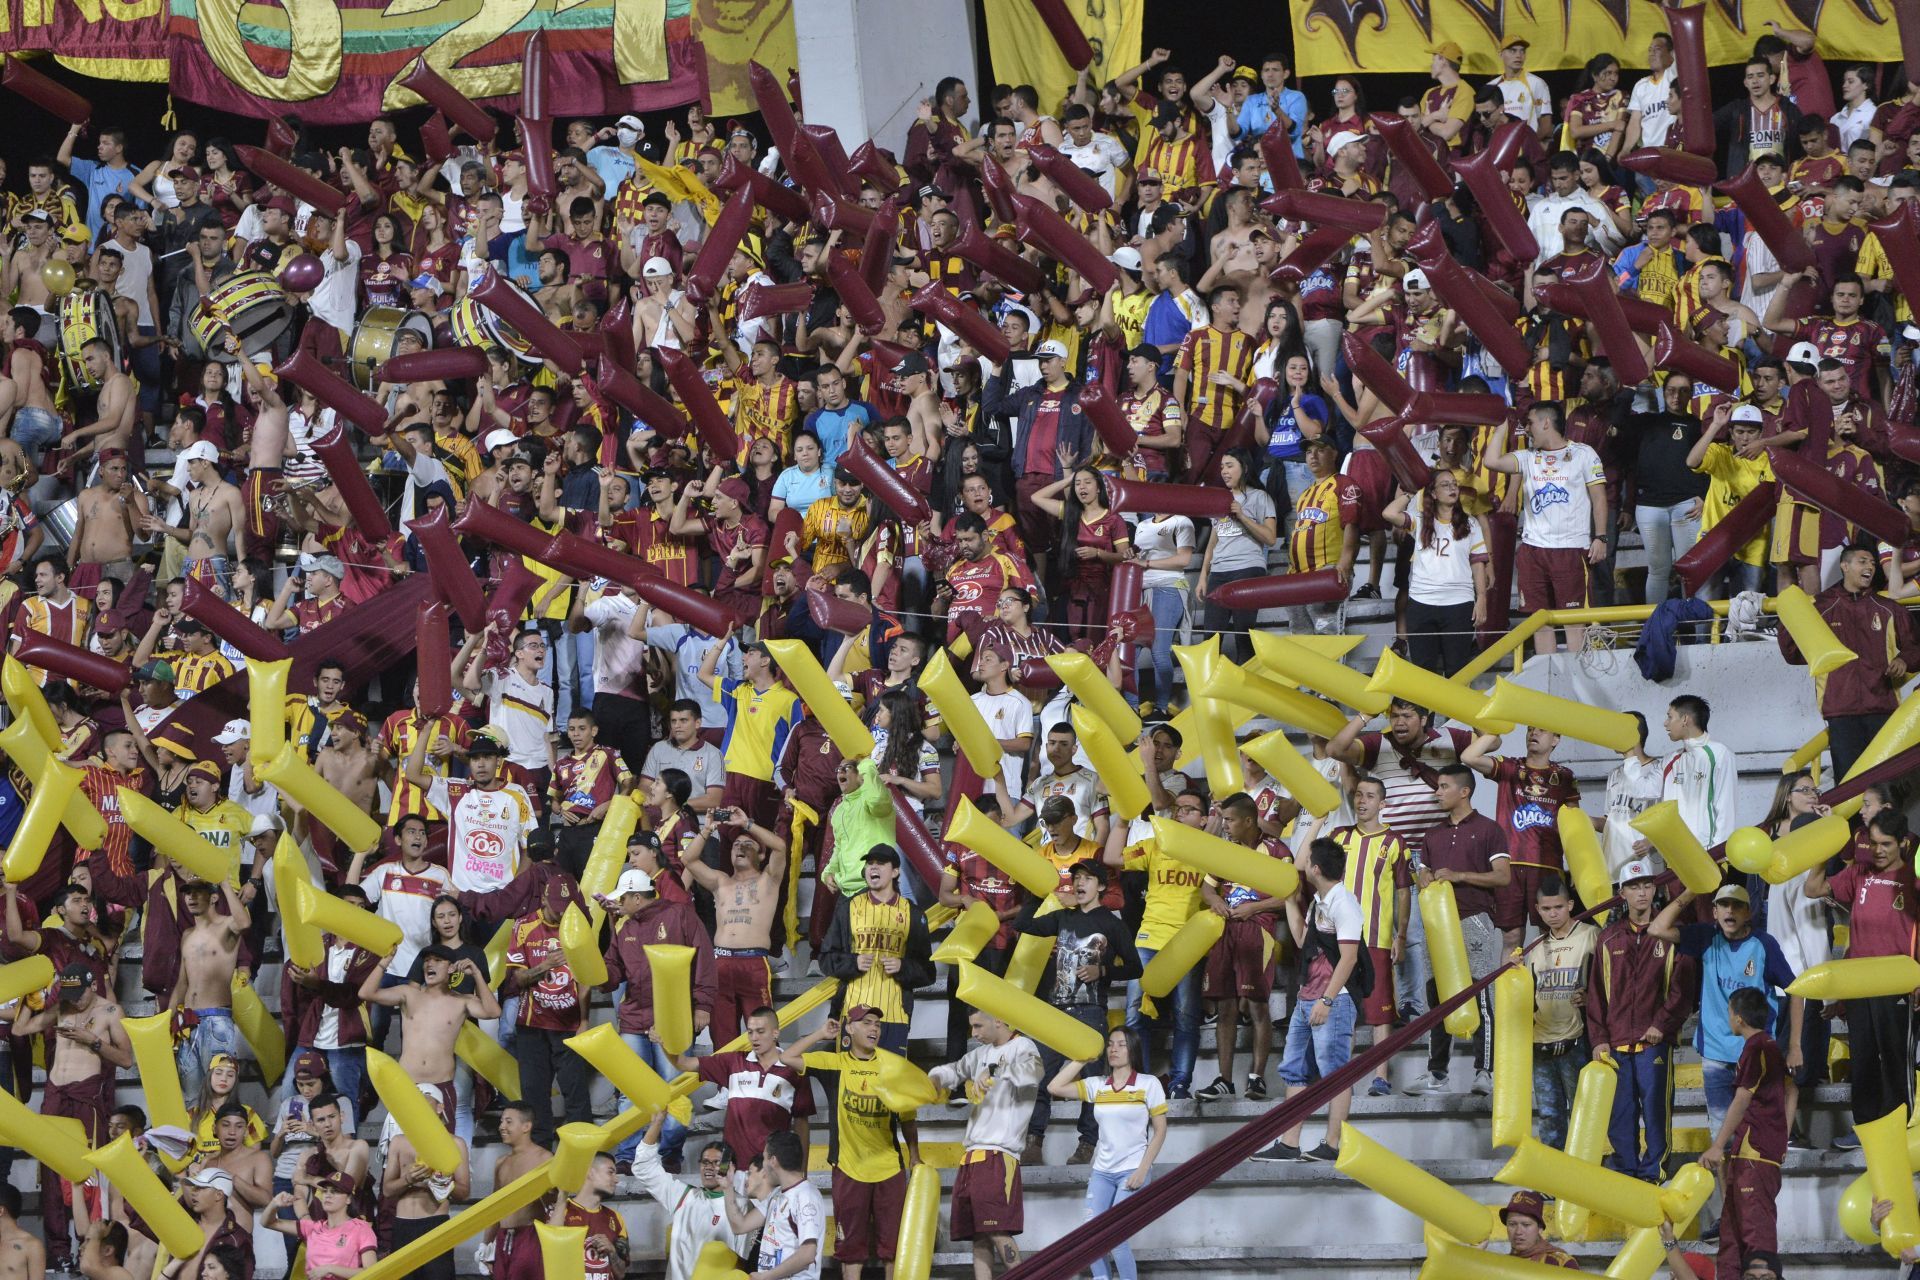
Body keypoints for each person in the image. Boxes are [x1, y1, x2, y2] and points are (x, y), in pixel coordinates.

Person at [1648, 884, 1801, 1153]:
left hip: (1755, 1054)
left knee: (1759, 1135)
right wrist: (1692, 890)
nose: (1730, 910)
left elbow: (1797, 991)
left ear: (1749, 912)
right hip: (1716, 1054)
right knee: (1721, 1139)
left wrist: (1795, 1046)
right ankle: (1730, 1195)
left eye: (1737, 905)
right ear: (1715, 912)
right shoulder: (1706, 937)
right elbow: (1656, 929)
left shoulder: (1763, 944)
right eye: (1724, 905)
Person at [1804, 809, 1919, 1142]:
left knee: (1896, 1058)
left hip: (1898, 983)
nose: (1879, 850)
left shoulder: (1913, 879)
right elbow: (1813, 888)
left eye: (1887, 843)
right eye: (1874, 843)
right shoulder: (1859, 873)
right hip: (1858, 986)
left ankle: (1901, 1126)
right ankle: (1866, 1129)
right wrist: (1823, 851)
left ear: (1902, 843)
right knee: (1864, 1058)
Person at [781, 1008, 920, 1280]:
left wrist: (915, 1155)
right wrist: (821, 1033)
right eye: (866, 1023)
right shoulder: (836, 1063)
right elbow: (787, 1057)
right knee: (851, 1251)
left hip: (889, 1169)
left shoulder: (893, 1066)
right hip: (848, 1168)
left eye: (877, 1024)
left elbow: (908, 1118)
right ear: (850, 1029)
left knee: (892, 1250)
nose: (874, 1029)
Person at [1021, 860, 1140, 1164]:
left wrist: (1102, 970)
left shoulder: (1112, 923)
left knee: (1089, 1080)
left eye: (1087, 878)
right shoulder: (1063, 917)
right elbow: (1024, 925)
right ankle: (1034, 1141)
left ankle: (1087, 1143)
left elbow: (1135, 967)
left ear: (1101, 886)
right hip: (1055, 1011)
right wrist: (1034, 891)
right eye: (1076, 878)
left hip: (1090, 1012)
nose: (1079, 883)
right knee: (1042, 1076)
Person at [17, 962, 131, 1270]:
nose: (74, 999)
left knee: (87, 1172)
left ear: (93, 986)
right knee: (52, 1171)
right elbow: (20, 1029)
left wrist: (91, 1041)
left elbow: (127, 1059)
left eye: (79, 993)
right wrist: (28, 1001)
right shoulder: (62, 1007)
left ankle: (90, 1246)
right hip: (55, 1093)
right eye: (69, 993)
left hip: (86, 1094)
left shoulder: (110, 1013)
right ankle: (59, 1250)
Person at [1587, 858, 1693, 1182]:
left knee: (1656, 1112)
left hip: (1653, 1043)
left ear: (1655, 888)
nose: (1642, 892)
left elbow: (1683, 988)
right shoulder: (1607, 939)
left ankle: (1654, 1172)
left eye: (1647, 885)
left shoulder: (1672, 935)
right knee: (1620, 1116)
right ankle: (1627, 1173)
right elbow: (1595, 994)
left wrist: (1662, 1024)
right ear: (1622, 893)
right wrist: (1599, 1037)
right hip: (1616, 1042)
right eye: (1634, 886)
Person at [1406, 765, 1510, 1096]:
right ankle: (1437, 1074)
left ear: (1464, 791)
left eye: (1443, 786)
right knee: (1437, 998)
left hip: (1474, 918)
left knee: (1480, 994)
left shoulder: (1489, 829)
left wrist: (1460, 876)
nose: (1437, 792)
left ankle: (1486, 1072)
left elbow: (1503, 876)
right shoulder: (1432, 834)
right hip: (1437, 925)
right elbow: (1422, 872)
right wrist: (1421, 877)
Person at [1777, 540, 1919, 779]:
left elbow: (1916, 647)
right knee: (1848, 785)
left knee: (1886, 786)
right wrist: (1790, 617)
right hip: (1840, 712)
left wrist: (1904, 660)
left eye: (1873, 563)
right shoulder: (1819, 606)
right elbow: (1793, 654)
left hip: (1883, 709)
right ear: (1844, 566)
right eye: (1863, 561)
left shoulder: (1888, 608)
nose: (1871, 567)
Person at [1258, 838, 1363, 1163]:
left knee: (1336, 1073)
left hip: (1334, 1001)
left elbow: (1349, 958)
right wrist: (1291, 902)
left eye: (1308, 864)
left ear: (1315, 869)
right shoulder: (1320, 900)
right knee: (1294, 1071)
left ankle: (1333, 1144)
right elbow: (1304, 940)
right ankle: (1290, 1143)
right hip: (1306, 998)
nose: (1302, 867)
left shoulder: (1344, 903)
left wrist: (1327, 1001)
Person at [1483, 401, 1609, 655]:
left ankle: (1577, 685)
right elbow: (1491, 461)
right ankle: (1548, 681)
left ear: (1546, 422)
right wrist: (1500, 428)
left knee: (1574, 621)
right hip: (1533, 550)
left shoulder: (1584, 454)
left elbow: (1599, 498)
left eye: (1529, 423)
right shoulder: (1528, 457)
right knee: (1539, 622)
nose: (1527, 429)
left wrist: (1601, 537)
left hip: (1571, 549)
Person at [928, 1009, 1045, 1280]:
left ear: (999, 1020)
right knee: (978, 1235)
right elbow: (955, 1070)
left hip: (998, 1154)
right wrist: (935, 1078)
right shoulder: (981, 1053)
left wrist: (995, 1069)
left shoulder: (1023, 1045)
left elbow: (1035, 1072)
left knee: (997, 1229)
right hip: (971, 1155)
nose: (974, 1033)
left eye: (979, 1026)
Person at [1045, 1027, 1166, 1280]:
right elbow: (1054, 1087)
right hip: (1102, 1171)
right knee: (1092, 1236)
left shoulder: (1148, 1084)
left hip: (1132, 1170)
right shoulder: (1097, 1085)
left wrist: (1142, 1171)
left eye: (1121, 1044)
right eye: (1110, 1044)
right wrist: (1081, 1058)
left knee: (1114, 1236)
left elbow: (1160, 1131)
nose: (1114, 1049)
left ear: (1132, 1049)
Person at [1195, 793, 1289, 1103]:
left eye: (1230, 820)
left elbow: (1290, 895)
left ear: (1249, 820)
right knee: (1225, 1006)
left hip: (1257, 930)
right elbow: (1207, 886)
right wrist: (1217, 900)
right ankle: (1224, 1079)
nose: (1225, 825)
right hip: (1225, 931)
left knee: (1258, 1006)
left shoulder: (1276, 850)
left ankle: (1257, 1078)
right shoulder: (1225, 851)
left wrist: (1255, 908)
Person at [357, 943, 499, 1128]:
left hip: (442, 1084)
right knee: (402, 1144)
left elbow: (493, 1011)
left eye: (437, 960)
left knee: (443, 1149)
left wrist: (478, 975)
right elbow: (365, 993)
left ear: (451, 968)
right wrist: (383, 963)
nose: (429, 965)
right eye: (427, 961)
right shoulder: (408, 994)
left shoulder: (462, 1001)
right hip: (407, 1083)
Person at [1702, 987, 1788, 1280]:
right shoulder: (1770, 1046)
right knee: (1731, 1236)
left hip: (1755, 1155)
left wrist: (1716, 1146)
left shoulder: (1757, 1048)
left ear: (1738, 1019)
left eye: (1728, 1013)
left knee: (1756, 1242)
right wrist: (1782, 1137)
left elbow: (1742, 1098)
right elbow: (1792, 1090)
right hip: (1751, 1154)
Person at [500, 878, 592, 1150]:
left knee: (576, 1095)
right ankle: (539, 1159)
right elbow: (516, 979)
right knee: (535, 1096)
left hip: (569, 1024)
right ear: (543, 900)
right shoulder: (524, 926)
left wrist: (585, 1021)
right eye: (558, 906)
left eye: (568, 906)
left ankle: (582, 1155)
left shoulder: (578, 924)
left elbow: (586, 978)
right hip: (532, 1025)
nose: (563, 912)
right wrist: (546, 965)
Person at [684, 810, 789, 1046]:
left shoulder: (769, 879)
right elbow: (688, 861)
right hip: (720, 963)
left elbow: (780, 846)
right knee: (723, 1038)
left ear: (761, 854)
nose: (740, 847)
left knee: (763, 1034)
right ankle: (726, 1084)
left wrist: (747, 823)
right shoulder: (721, 881)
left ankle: (764, 1082)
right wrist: (708, 827)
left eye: (748, 844)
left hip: (754, 963)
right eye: (736, 844)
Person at [819, 846, 934, 1054]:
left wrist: (903, 966)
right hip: (853, 1016)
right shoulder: (848, 908)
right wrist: (853, 963)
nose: (873, 867)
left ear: (895, 872)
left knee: (889, 1086)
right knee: (853, 1085)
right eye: (870, 863)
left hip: (895, 1016)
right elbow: (826, 959)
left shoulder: (913, 914)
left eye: (880, 863)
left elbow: (928, 972)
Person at [665, 1004, 814, 1165]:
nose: (754, 1037)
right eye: (750, 1032)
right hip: (728, 1169)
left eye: (760, 1031)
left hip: (770, 1173)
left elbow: (801, 1126)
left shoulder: (794, 1071)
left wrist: (801, 1172)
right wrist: (663, 1043)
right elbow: (684, 1063)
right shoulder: (733, 1062)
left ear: (775, 1033)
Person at [630, 1109, 752, 1280]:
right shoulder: (684, 1196)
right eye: (705, 1162)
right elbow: (643, 1167)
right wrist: (656, 1124)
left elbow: (743, 1262)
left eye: (716, 1163)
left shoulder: (742, 1206)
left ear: (730, 1167)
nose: (709, 1167)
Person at [1525, 875, 1599, 1151]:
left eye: (1558, 907)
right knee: (1548, 1116)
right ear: (1538, 909)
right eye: (1546, 909)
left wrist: (1591, 998)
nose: (1552, 914)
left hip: (1577, 1040)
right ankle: (1553, 1183)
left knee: (1582, 1113)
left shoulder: (1590, 935)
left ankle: (1582, 1180)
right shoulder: (1533, 948)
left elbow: (1609, 983)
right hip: (1540, 1042)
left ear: (1570, 905)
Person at [168, 878, 247, 1105]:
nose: (191, 898)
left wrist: (224, 884)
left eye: (198, 892)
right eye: (187, 893)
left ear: (213, 897)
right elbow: (182, 982)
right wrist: (167, 1019)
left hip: (216, 1019)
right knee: (192, 1096)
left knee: (220, 1095)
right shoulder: (187, 934)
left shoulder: (227, 925)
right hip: (188, 1021)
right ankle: (197, 1140)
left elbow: (244, 923)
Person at [382, 1085, 470, 1280]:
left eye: (425, 1098)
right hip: (403, 1225)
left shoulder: (455, 1143)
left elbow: (464, 1192)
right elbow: (387, 1190)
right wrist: (408, 1179)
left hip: (435, 1224)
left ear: (440, 1107)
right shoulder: (398, 1141)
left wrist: (441, 1182)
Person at [723, 1130, 825, 1280]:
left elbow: (808, 1253)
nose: (763, 1164)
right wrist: (727, 1187)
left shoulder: (805, 1196)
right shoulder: (776, 1194)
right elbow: (740, 1226)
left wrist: (766, 1276)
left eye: (764, 1157)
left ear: (773, 1161)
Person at [484, 1102, 551, 1280]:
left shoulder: (544, 1159)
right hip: (502, 1238)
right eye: (501, 1122)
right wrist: (486, 1245)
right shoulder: (501, 1162)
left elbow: (555, 1204)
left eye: (508, 1122)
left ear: (526, 1126)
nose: (501, 1127)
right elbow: (495, 1207)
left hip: (530, 1237)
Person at [263, 1174, 375, 1280]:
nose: (328, 1195)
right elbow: (268, 1223)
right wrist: (274, 1204)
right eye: (325, 1191)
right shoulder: (313, 1227)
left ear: (348, 1199)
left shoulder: (361, 1228)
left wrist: (331, 1269)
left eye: (335, 1191)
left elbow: (371, 1271)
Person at [550, 1151, 630, 1280]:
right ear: (589, 1172)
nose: (616, 1179)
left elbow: (621, 1274)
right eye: (610, 1172)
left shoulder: (616, 1218)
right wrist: (562, 1197)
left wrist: (612, 1251)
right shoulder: (560, 1210)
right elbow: (548, 1255)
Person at [1494, 1191, 1579, 1268]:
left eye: (1526, 1225)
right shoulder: (1501, 1265)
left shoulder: (1561, 1263)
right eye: (1512, 1224)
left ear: (1540, 1229)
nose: (1518, 1232)